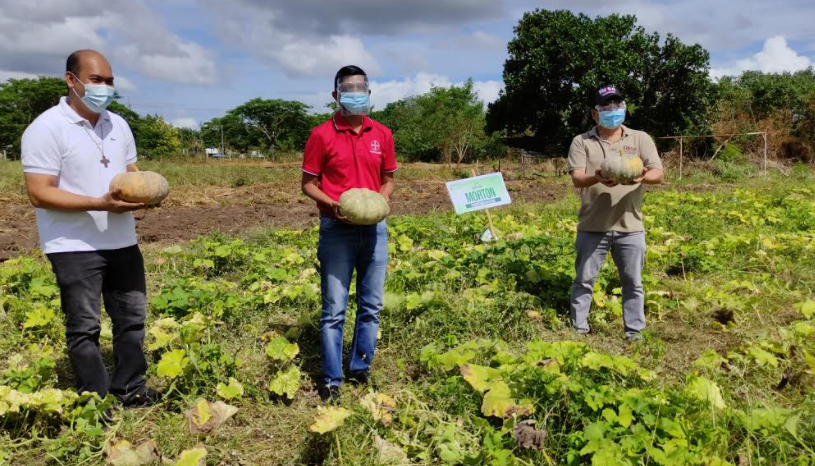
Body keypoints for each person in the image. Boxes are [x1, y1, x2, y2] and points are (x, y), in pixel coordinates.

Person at [21, 50, 158, 407]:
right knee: (84, 326)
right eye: (96, 80)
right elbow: (39, 193)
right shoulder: (46, 128)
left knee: (132, 318)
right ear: (72, 80)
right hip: (72, 244)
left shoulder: (118, 124)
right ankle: (95, 400)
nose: (105, 87)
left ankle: (130, 389)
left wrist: (147, 192)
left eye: (110, 81)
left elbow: (132, 173)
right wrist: (99, 203)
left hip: (122, 240)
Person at [301, 65, 397, 403]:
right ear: (336, 94)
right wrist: (333, 204)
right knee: (334, 309)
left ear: (369, 93)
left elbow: (388, 178)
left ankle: (360, 368)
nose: (355, 92)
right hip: (336, 228)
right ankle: (331, 379)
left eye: (361, 87)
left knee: (371, 305)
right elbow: (308, 184)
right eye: (348, 87)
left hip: (375, 229)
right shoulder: (321, 135)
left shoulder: (381, 133)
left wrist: (381, 201)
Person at [566, 85, 664, 341]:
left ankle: (634, 332)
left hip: (630, 225)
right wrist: (595, 177)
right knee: (584, 279)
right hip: (592, 225)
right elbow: (577, 178)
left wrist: (643, 176)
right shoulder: (581, 141)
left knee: (633, 282)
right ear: (594, 114)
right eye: (606, 107)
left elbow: (658, 173)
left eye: (617, 105)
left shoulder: (640, 138)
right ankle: (579, 329)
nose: (613, 110)